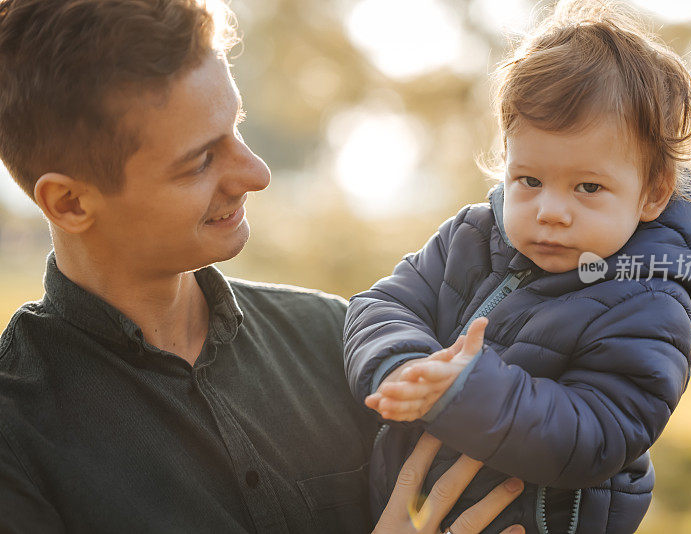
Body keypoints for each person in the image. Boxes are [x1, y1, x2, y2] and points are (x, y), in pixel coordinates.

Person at [0, 0, 527, 532]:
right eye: (201, 160)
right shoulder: (13, 435)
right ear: (68, 203)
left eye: (237, 126)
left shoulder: (338, 341)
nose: (256, 173)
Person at [343, 1, 691, 532]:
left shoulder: (651, 302)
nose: (550, 212)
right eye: (529, 180)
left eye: (588, 187)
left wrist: (466, 392)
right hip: (401, 512)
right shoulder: (471, 237)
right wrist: (402, 364)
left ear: (652, 195)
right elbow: (382, 304)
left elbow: (598, 433)